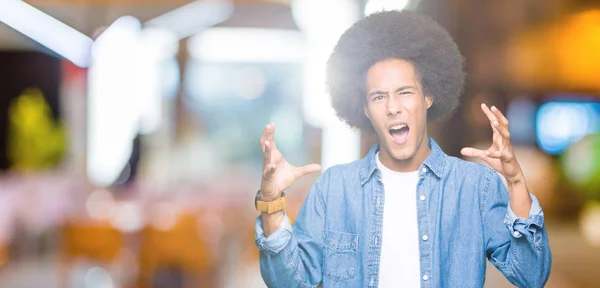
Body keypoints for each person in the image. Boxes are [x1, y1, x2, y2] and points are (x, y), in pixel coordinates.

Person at [253, 10, 551, 288]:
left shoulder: (475, 187)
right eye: (379, 97)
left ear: (428, 97)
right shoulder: (334, 189)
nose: (393, 107)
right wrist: (271, 203)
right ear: (366, 110)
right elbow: (288, 281)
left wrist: (514, 182)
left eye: (404, 92)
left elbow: (531, 275)